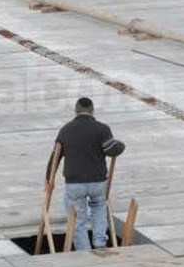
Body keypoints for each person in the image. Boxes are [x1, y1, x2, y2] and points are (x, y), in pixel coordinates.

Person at [47, 97, 125, 251]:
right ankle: (100, 243)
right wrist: (121, 145)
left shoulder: (65, 130)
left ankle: (83, 250)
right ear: (92, 110)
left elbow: (55, 155)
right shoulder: (102, 129)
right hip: (97, 181)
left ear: (76, 110)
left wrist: (48, 178)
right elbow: (111, 150)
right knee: (99, 208)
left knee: (77, 217)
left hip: (74, 182)